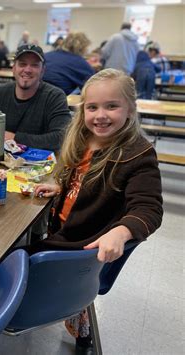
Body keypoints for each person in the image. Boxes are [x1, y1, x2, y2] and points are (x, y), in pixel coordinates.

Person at [32, 68, 163, 352]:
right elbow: (82, 178)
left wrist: (122, 230)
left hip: (81, 246)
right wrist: (62, 188)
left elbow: (149, 207)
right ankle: (79, 321)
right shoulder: (83, 139)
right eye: (92, 107)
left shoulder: (138, 153)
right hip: (65, 230)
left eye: (111, 106)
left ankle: (78, 324)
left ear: (130, 109)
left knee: (9, 254)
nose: (100, 115)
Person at [0, 44, 71, 152]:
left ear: (42, 71)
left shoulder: (55, 97)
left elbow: (61, 137)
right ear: (13, 69)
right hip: (0, 164)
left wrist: (16, 138)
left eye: (34, 65)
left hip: (40, 166)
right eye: (22, 64)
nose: (27, 70)